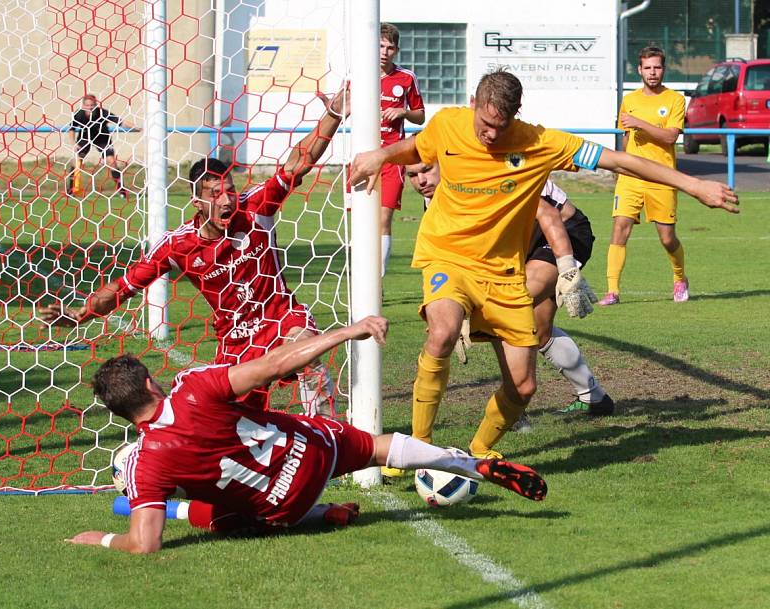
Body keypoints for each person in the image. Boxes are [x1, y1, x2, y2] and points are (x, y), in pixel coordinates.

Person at [351, 69, 737, 463]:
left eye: (501, 127)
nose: (491, 136)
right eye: (485, 124)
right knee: (443, 332)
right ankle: (419, 446)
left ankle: (479, 450)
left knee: (522, 387)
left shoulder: (540, 143)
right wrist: (381, 154)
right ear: (472, 105)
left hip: (504, 273)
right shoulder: (448, 123)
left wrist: (694, 185)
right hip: (447, 255)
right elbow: (419, 148)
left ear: (516, 115)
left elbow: (620, 160)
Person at [64, 317, 547, 554]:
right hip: (312, 449)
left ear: (120, 412)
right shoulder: (193, 386)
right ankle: (466, 463)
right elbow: (276, 364)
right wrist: (345, 331)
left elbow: (145, 545)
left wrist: (100, 539)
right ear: (152, 383)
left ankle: (323, 513)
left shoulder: (145, 463)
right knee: (378, 445)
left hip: (285, 510)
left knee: (218, 514)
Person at [42, 88, 351, 416]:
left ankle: (330, 438)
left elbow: (296, 164)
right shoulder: (178, 245)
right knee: (237, 425)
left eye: (230, 190)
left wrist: (332, 115)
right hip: (237, 343)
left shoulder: (255, 207)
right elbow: (124, 287)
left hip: (281, 319)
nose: (227, 200)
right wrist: (80, 314)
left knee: (307, 350)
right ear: (198, 202)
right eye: (215, 194)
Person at [405, 165, 613, 436]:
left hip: (562, 231)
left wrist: (567, 268)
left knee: (505, 305)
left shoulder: (477, 176)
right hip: (516, 248)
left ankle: (515, 406)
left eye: (426, 170)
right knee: (537, 331)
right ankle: (594, 397)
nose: (421, 180)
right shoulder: (435, 198)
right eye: (411, 174)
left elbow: (548, 214)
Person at [600, 46, 687, 306]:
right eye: (647, 67)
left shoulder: (674, 99)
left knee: (667, 238)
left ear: (663, 69)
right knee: (619, 228)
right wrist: (619, 168)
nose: (652, 72)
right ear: (639, 70)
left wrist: (641, 124)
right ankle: (612, 291)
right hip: (631, 178)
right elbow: (626, 139)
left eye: (657, 67)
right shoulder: (630, 100)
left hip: (662, 178)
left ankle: (679, 278)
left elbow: (671, 136)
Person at [378, 23, 425, 277]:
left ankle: (377, 282)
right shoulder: (357, 77)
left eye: (390, 47)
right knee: (363, 222)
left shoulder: (406, 78)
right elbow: (342, 108)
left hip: (393, 158)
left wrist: (404, 111)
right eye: (381, 46)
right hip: (363, 157)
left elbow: (420, 116)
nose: (385, 52)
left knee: (384, 219)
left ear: (396, 50)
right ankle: (361, 277)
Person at [66, 94, 140, 198]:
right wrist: (74, 144)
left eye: (92, 105)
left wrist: (137, 128)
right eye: (87, 105)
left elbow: (121, 122)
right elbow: (71, 129)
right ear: (83, 106)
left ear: (96, 105)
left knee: (111, 162)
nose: (90, 107)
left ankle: (122, 191)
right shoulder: (79, 114)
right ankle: (70, 191)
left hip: (102, 138)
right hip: (85, 138)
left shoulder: (103, 113)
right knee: (77, 161)